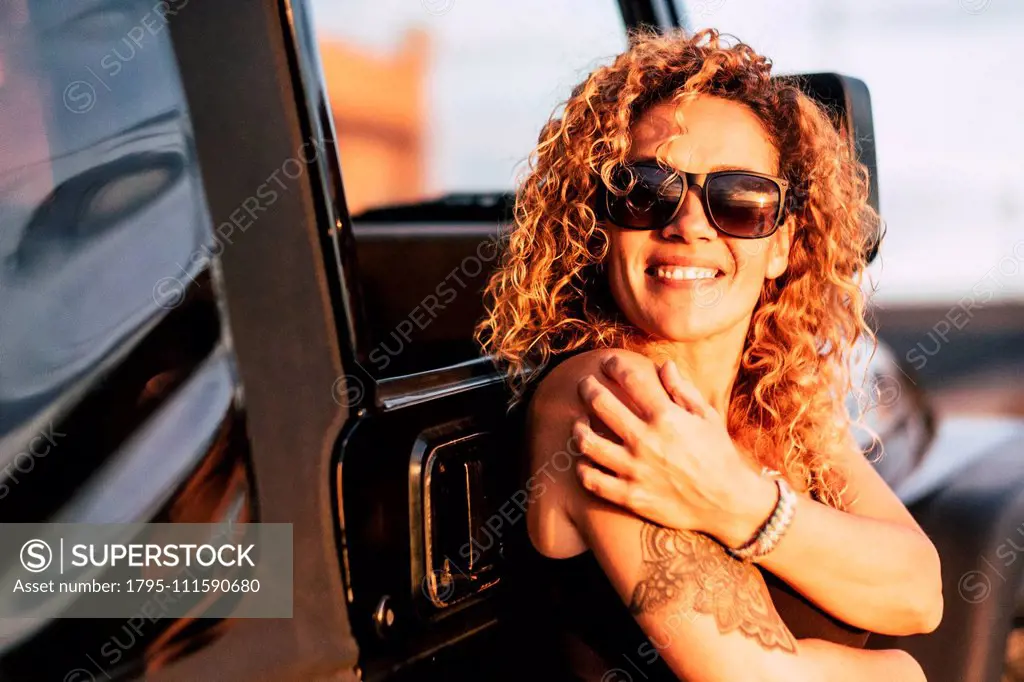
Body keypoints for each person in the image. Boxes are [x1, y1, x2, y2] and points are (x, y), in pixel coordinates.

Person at [476, 28, 941, 681]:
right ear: (600, 227)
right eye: (645, 190)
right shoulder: (608, 397)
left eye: (740, 201)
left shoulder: (780, 399)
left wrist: (735, 502)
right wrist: (902, 675)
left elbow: (919, 593)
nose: (689, 224)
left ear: (781, 245)